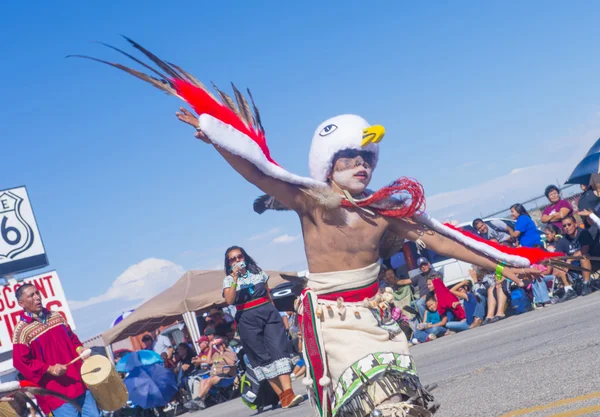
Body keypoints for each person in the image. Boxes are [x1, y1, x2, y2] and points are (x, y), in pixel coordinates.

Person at [86, 47, 555, 416]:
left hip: (378, 319)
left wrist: (501, 264)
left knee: (405, 404)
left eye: (366, 158)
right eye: (349, 158)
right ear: (328, 166)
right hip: (332, 323)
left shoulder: (387, 211)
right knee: (377, 407)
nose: (360, 166)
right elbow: (259, 174)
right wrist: (216, 139)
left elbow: (441, 239)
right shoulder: (311, 203)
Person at [222, 246, 303, 409]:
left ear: (244, 257)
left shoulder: (258, 272)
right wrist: (235, 279)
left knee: (279, 350)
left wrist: (279, 316)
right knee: (262, 357)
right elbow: (230, 301)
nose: (237, 260)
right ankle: (283, 396)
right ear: (229, 263)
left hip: (268, 313)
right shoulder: (228, 280)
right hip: (247, 318)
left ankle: (289, 392)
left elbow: (268, 294)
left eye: (239, 257)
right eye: (233, 259)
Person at [12, 284, 101, 417]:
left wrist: (80, 349)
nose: (37, 297)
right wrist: (49, 369)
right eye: (31, 295)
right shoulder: (21, 331)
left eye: (37, 293)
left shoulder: (57, 316)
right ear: (21, 303)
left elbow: (73, 339)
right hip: (57, 395)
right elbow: (21, 363)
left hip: (80, 384)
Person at [186, 338, 237, 410]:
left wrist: (223, 354)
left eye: (219, 345)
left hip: (227, 375)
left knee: (209, 381)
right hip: (217, 375)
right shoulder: (216, 354)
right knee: (203, 381)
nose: (218, 347)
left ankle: (198, 399)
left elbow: (231, 363)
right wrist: (210, 348)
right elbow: (209, 361)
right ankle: (201, 400)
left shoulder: (228, 352)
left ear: (223, 345)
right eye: (217, 346)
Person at [555, 216, 594, 296]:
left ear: (575, 224)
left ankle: (587, 284)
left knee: (583, 256)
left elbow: (585, 249)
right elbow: (557, 256)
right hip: (574, 267)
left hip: (591, 263)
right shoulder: (563, 240)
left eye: (569, 224)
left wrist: (569, 260)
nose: (567, 227)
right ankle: (569, 290)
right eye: (564, 226)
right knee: (557, 264)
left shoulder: (583, 233)